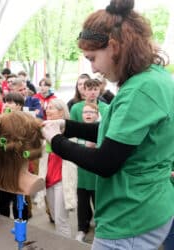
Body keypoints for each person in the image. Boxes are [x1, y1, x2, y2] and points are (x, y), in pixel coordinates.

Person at [42, 0, 174, 249]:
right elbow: (115, 136)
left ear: (113, 47)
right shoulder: (153, 77)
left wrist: (56, 142)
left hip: (130, 217)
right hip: (150, 206)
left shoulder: (139, 90)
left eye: (92, 58)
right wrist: (66, 126)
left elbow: (105, 161)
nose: (93, 68)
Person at [38, 98, 77, 238]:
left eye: (51, 108)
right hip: (48, 179)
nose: (47, 110)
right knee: (54, 217)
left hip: (61, 179)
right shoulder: (44, 129)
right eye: (47, 108)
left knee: (62, 221)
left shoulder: (69, 131)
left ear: (61, 112)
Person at [75, 102, 99, 242]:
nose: (88, 114)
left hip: (96, 177)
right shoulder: (79, 130)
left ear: (97, 114)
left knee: (99, 205)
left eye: (91, 112)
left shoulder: (100, 130)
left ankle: (100, 230)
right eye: (85, 112)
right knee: (82, 205)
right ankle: (82, 229)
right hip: (81, 176)